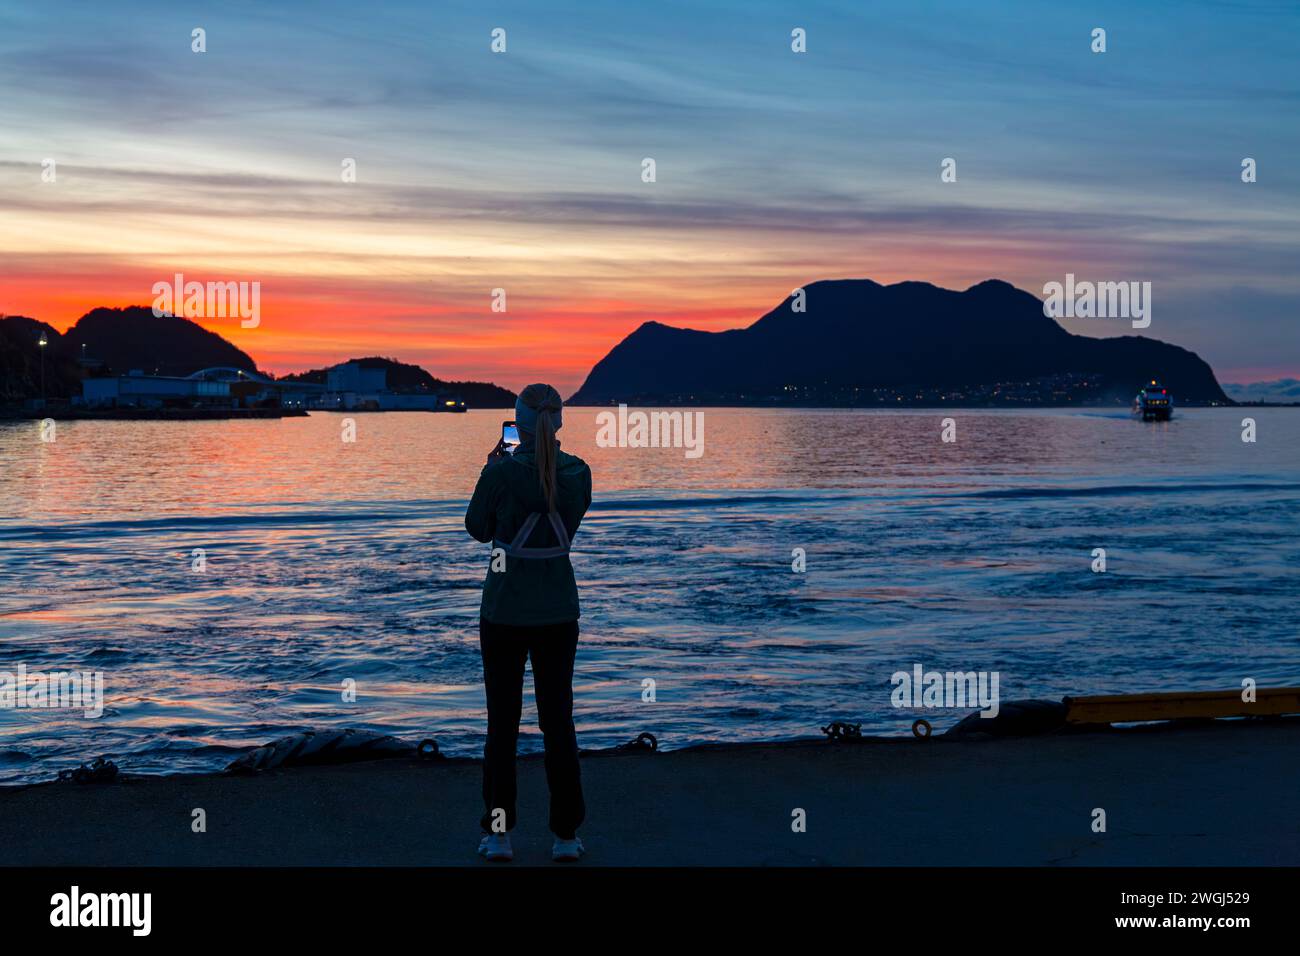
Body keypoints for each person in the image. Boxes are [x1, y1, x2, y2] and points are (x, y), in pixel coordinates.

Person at [464, 383, 592, 862]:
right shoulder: (579, 473)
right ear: (558, 422)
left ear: (516, 425)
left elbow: (477, 529)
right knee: (559, 722)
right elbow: (570, 516)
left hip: (504, 611)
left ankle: (499, 835)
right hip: (559, 609)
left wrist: (495, 469)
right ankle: (566, 836)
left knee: (503, 724)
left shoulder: (499, 473)